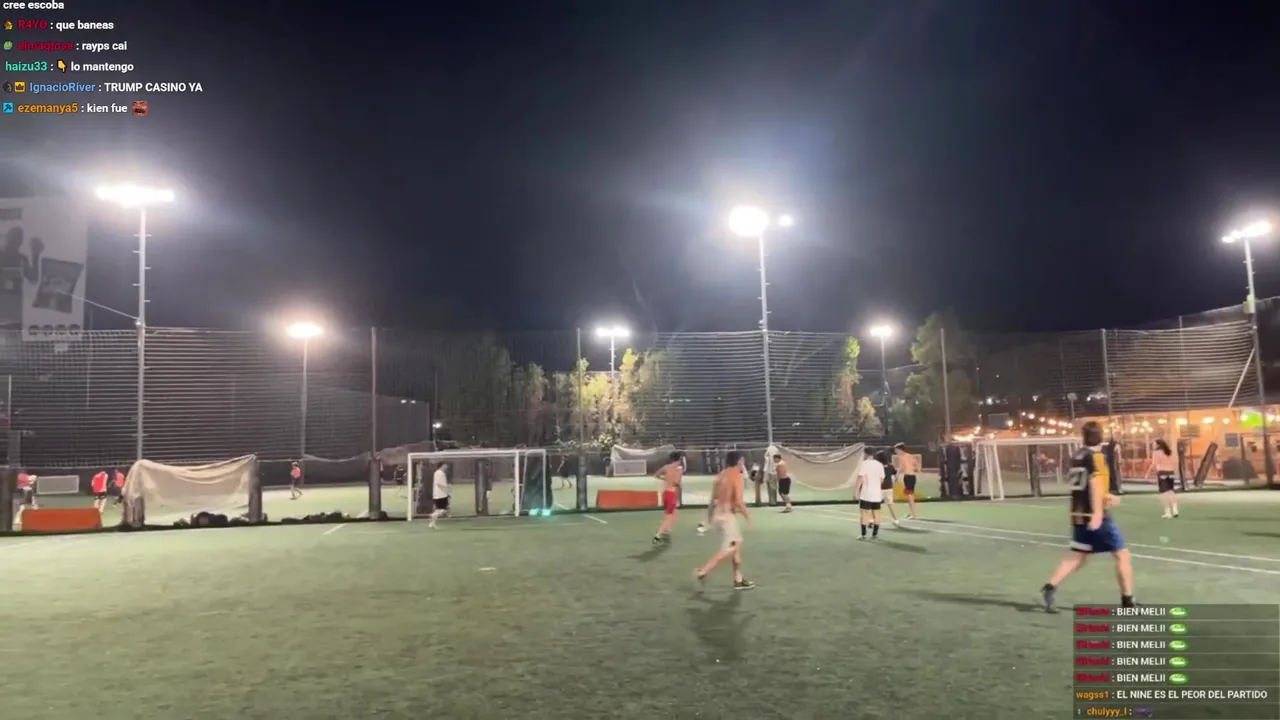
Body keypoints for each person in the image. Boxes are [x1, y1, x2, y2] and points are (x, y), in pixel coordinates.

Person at [1040, 420, 1136, 611]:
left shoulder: (1077, 455)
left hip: (1078, 512)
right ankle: (1128, 602)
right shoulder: (1096, 456)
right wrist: (1098, 512)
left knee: (1079, 554)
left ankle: (1049, 587)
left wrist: (1105, 496)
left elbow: (1082, 484)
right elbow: (1094, 482)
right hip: (1094, 513)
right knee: (1122, 555)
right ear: (1100, 435)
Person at [694, 450, 754, 591]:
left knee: (736, 546)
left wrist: (709, 519)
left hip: (718, 515)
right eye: (742, 461)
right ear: (739, 461)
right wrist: (748, 517)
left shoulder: (720, 476)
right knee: (731, 548)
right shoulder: (737, 476)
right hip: (727, 517)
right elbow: (738, 501)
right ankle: (703, 571)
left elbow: (712, 500)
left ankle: (738, 579)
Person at [652, 451, 685, 545]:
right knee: (670, 517)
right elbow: (677, 482)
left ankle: (666, 529)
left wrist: (665, 479)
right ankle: (658, 535)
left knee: (671, 514)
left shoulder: (666, 467)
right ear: (679, 459)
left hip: (665, 493)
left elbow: (656, 475)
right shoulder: (679, 468)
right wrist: (680, 491)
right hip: (672, 493)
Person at [855, 448, 886, 540]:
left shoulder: (864, 464)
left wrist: (856, 491)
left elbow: (860, 478)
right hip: (877, 494)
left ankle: (863, 534)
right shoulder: (879, 465)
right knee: (877, 513)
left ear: (865, 454)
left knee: (864, 513)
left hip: (866, 493)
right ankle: (875, 534)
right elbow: (881, 479)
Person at [1147, 439, 1179, 519]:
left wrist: (1148, 473)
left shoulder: (1156, 453)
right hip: (1171, 472)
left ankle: (1168, 512)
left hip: (1162, 472)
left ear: (1158, 445)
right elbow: (1176, 462)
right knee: (1171, 491)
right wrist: (1174, 471)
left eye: (1154, 444)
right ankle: (1175, 509)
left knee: (1164, 493)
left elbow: (1154, 464)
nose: (1153, 446)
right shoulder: (1171, 452)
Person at [894, 443, 920, 519]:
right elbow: (916, 465)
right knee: (910, 495)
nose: (895, 451)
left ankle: (914, 514)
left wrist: (896, 476)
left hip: (908, 477)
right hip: (912, 477)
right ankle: (912, 513)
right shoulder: (910, 456)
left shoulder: (902, 457)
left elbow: (901, 468)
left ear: (900, 449)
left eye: (896, 450)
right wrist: (916, 469)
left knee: (910, 496)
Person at [879, 448, 902, 527]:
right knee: (890, 504)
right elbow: (896, 474)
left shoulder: (878, 467)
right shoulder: (890, 466)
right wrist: (896, 479)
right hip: (889, 487)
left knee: (877, 505)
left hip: (880, 488)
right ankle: (896, 520)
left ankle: (875, 520)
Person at [428, 461, 450, 528]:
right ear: (442, 466)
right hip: (440, 495)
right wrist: (446, 488)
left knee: (439, 509)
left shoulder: (439, 473)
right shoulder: (439, 473)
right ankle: (432, 515)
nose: (446, 467)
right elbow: (439, 484)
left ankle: (432, 523)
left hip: (440, 494)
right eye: (445, 466)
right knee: (442, 509)